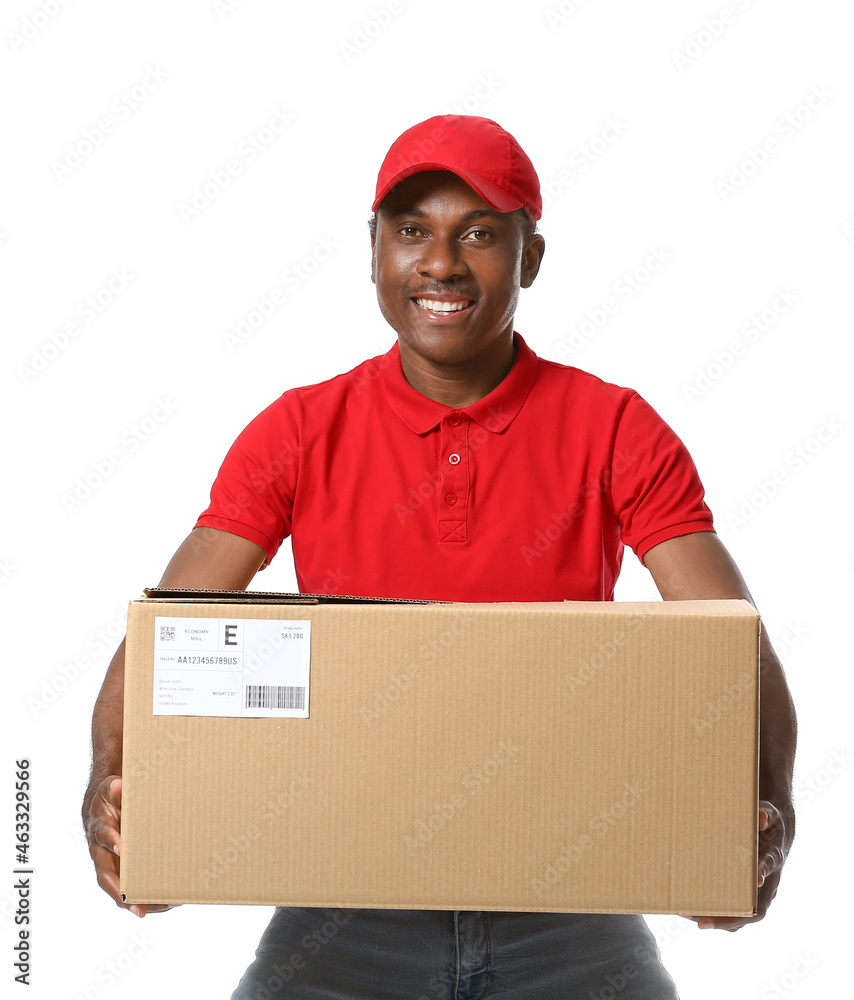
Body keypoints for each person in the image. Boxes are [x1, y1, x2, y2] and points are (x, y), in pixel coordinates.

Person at [83, 115, 797, 999]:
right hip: (343, 903)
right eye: (412, 231)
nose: (442, 263)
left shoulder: (615, 427)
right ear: (374, 249)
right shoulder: (301, 430)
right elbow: (167, 635)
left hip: (572, 897)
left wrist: (768, 811)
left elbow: (731, 645)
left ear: (531, 258)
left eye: (481, 234)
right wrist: (106, 788)